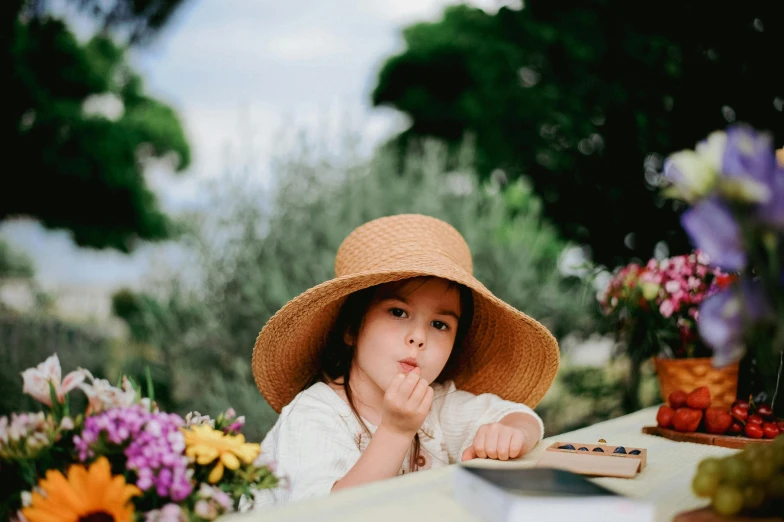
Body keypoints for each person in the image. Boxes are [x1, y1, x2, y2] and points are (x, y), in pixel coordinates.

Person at [250, 214, 559, 506]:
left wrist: (511, 433)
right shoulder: (315, 413)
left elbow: (518, 415)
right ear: (351, 329)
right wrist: (395, 432)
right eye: (398, 312)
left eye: (439, 324)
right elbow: (325, 514)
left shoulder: (437, 404)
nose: (418, 337)